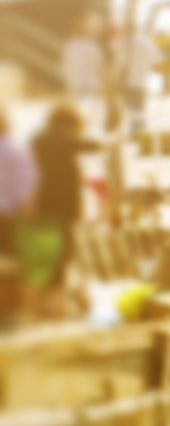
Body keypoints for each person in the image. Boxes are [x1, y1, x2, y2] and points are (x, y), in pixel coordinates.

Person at [30, 104, 93, 300]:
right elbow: (89, 145)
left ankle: (44, 298)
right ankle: (55, 298)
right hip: (65, 205)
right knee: (64, 251)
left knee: (46, 252)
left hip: (43, 203)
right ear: (67, 125)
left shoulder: (38, 141)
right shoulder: (63, 141)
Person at [0, 110, 38, 263]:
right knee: (10, 256)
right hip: (10, 211)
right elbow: (26, 181)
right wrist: (28, 208)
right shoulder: (16, 149)